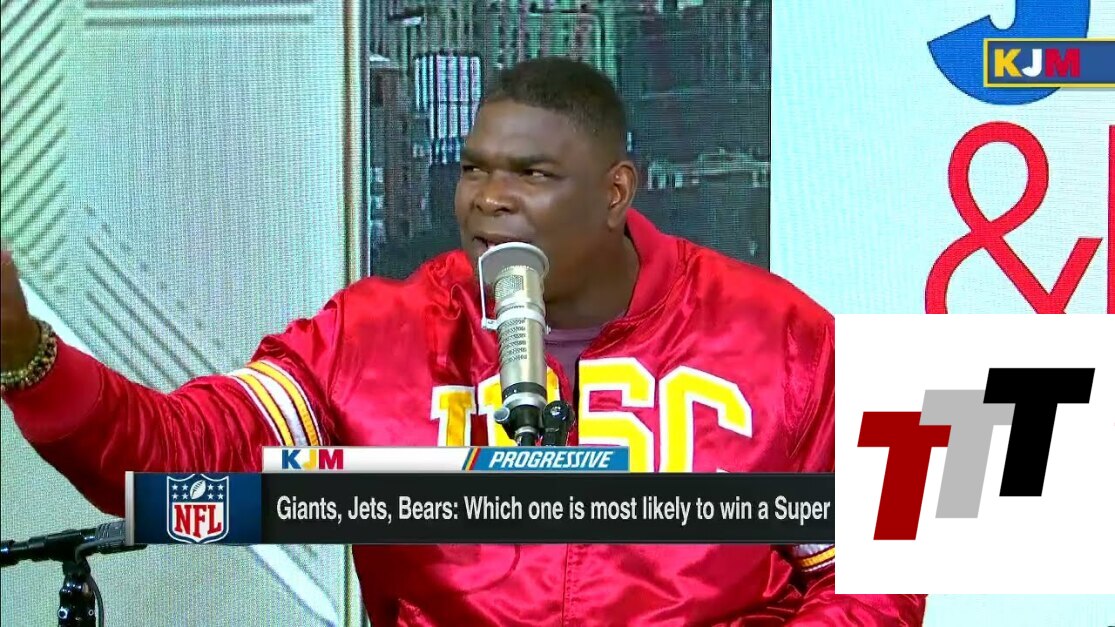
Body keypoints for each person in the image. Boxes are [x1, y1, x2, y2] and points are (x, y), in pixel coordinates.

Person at [0, 57, 925, 625]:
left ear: (614, 192)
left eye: (532, 174)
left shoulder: (777, 335)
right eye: (474, 170)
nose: (489, 200)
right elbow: (178, 462)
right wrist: (23, 352)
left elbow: (877, 574)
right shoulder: (375, 335)